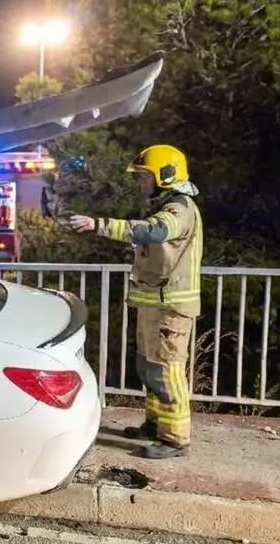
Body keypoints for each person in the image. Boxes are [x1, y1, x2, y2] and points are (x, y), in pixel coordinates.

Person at [65, 144, 203, 460]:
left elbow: (154, 232)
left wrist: (97, 224)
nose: (141, 182)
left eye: (144, 177)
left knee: (167, 371)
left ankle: (175, 438)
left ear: (165, 176)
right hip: (155, 305)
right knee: (150, 368)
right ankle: (156, 426)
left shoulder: (179, 209)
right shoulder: (166, 205)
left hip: (170, 309)